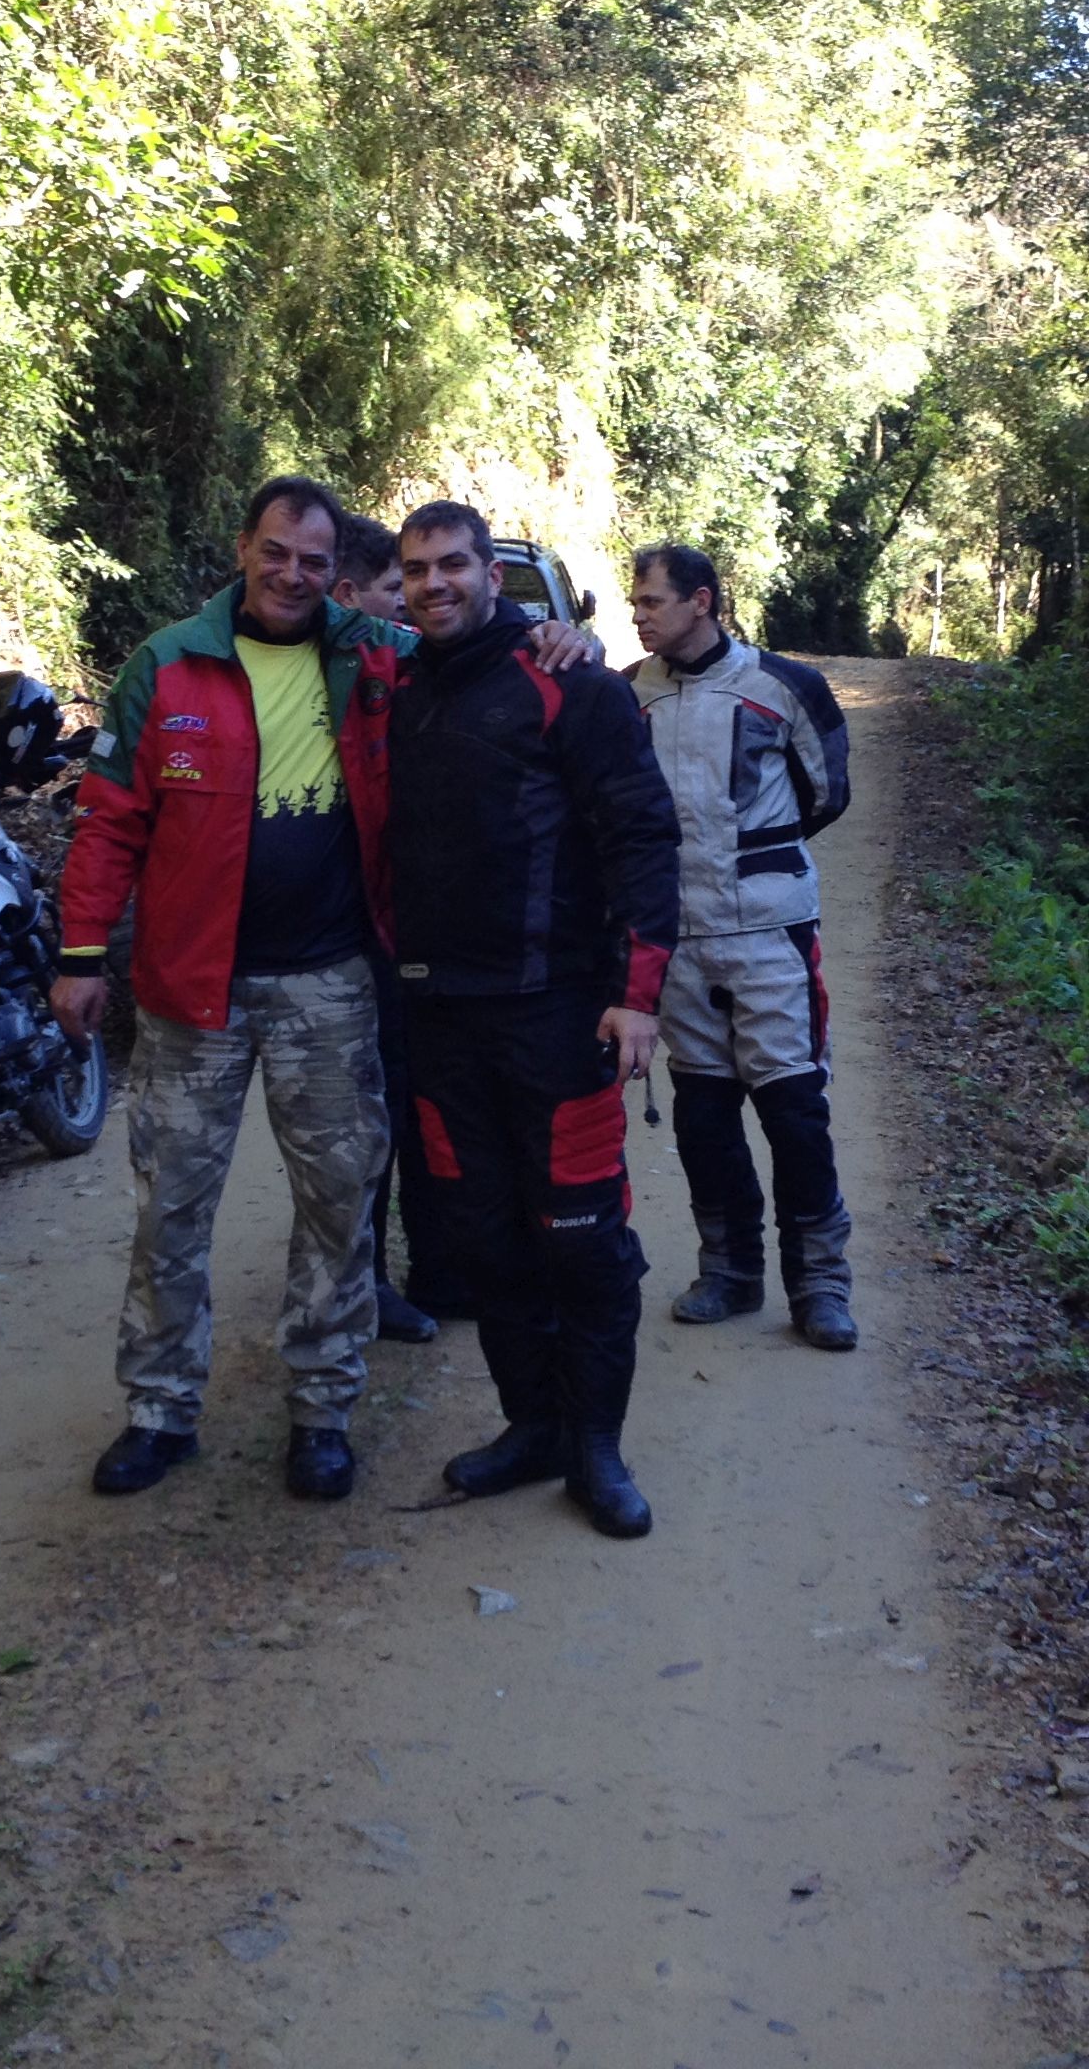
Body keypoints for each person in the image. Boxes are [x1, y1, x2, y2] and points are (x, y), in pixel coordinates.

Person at [51, 476, 397, 1505]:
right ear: (243, 547)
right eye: (276, 551)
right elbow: (110, 819)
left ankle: (323, 1412)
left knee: (339, 1207)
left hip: (329, 988)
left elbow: (480, 657)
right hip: (189, 992)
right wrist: (77, 957)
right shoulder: (168, 664)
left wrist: (546, 643)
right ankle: (159, 1412)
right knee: (172, 1212)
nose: (294, 574)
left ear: (338, 571)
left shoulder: (372, 654)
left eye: (315, 560)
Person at [389, 502, 681, 1539]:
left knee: (583, 1243)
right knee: (485, 1239)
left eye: (455, 564)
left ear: (489, 574)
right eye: (417, 568)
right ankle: (532, 1428)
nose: (437, 583)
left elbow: (644, 836)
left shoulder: (570, 684)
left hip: (559, 1018)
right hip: (440, 1024)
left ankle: (595, 1448)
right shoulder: (397, 688)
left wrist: (637, 994)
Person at [623, 544, 859, 1349]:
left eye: (653, 601)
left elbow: (826, 791)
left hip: (770, 932)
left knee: (794, 1111)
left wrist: (754, 860)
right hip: (678, 939)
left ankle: (820, 1282)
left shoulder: (783, 686)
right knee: (704, 1115)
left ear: (702, 601)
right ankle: (728, 1269)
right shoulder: (629, 695)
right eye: (635, 601)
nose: (638, 614)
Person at [328, 513, 443, 1347]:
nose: (408, 608)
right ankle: (355, 1278)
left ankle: (424, 1269)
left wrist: (557, 639)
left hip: (401, 929)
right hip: (323, 942)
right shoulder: (280, 671)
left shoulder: (399, 665)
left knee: (409, 1101)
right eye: (391, 590)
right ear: (348, 596)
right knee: (355, 1116)